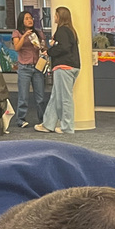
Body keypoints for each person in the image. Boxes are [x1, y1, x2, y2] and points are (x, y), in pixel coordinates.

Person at [35, 7, 81, 135]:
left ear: (59, 16)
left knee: (65, 98)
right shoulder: (70, 31)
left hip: (64, 67)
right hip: (71, 66)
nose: (54, 17)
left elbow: (63, 48)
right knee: (55, 97)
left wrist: (49, 51)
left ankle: (67, 127)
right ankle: (48, 124)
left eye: (55, 15)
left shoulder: (62, 30)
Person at [11, 10, 48, 129]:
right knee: (23, 95)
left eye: (31, 18)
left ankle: (43, 119)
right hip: (24, 67)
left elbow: (44, 48)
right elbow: (17, 47)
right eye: (27, 18)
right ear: (22, 20)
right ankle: (21, 119)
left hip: (37, 67)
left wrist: (42, 46)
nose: (30, 20)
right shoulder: (17, 33)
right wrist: (25, 36)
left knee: (40, 96)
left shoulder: (39, 33)